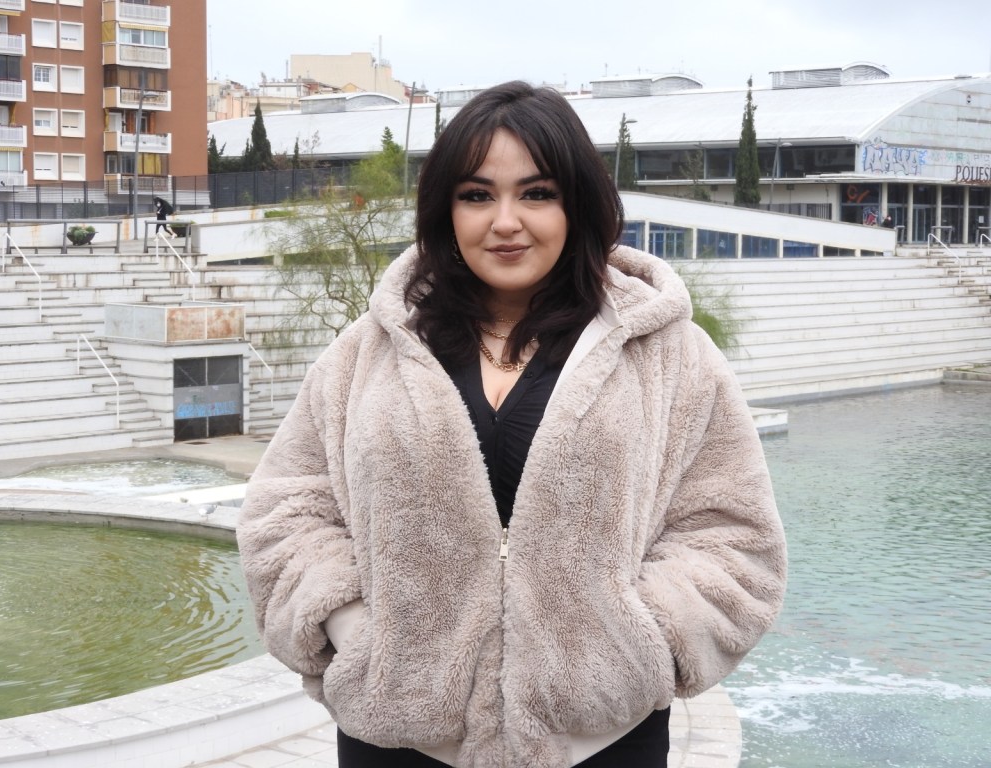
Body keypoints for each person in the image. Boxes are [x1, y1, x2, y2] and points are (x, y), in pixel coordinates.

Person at [237, 81, 786, 768]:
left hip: (600, 741)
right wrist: (355, 629)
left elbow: (733, 532)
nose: (505, 222)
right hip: (398, 737)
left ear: (577, 203)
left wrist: (639, 641)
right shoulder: (365, 352)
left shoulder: (671, 356)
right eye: (476, 195)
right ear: (445, 210)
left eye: (536, 193)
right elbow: (285, 512)